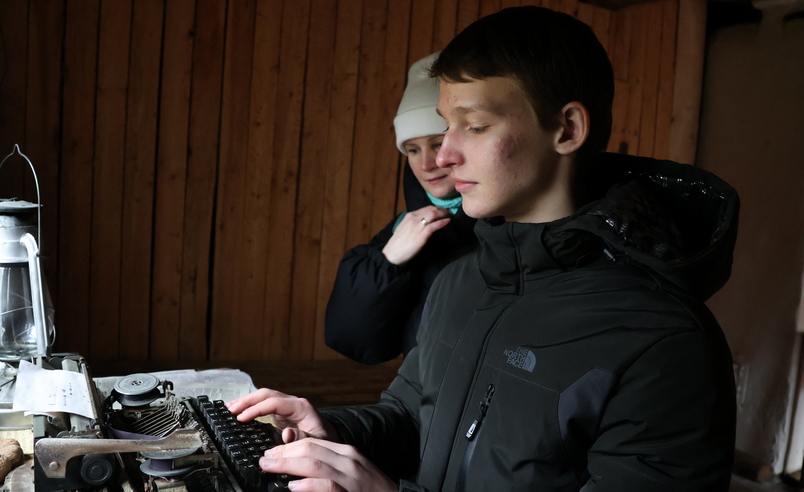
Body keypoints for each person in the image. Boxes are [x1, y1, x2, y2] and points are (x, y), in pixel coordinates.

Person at [227, 6, 739, 491]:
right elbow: (411, 418)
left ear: (567, 129)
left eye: (474, 126)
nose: (444, 156)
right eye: (445, 126)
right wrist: (332, 432)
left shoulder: (665, 343)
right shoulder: (461, 281)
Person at [324, 52, 477, 365]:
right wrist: (389, 261)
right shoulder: (405, 227)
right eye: (412, 150)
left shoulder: (510, 223)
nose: (426, 164)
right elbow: (355, 341)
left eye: (437, 143)